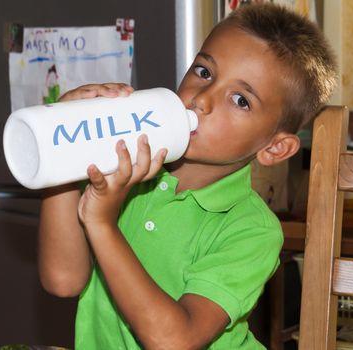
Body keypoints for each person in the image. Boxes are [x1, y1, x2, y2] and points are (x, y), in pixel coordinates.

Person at [38, 3, 336, 349]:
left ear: (273, 148)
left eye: (240, 100)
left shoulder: (252, 229)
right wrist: (61, 145)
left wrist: (102, 223)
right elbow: (63, 280)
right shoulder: (123, 167)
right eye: (204, 72)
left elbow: (175, 341)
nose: (202, 100)